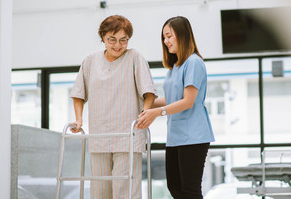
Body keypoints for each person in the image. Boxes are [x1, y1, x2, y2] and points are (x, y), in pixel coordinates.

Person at [69, 15, 157, 199]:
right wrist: (78, 119)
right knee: (99, 192)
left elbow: (148, 92)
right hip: (99, 136)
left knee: (124, 191)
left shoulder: (134, 57)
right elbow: (78, 94)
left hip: (128, 137)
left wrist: (145, 114)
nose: (117, 45)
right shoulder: (90, 61)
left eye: (123, 40)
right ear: (102, 37)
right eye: (112, 40)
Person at [136, 16, 215, 199]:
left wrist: (157, 112)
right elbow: (171, 99)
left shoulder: (194, 62)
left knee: (189, 191)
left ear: (182, 35)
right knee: (175, 188)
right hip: (175, 137)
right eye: (164, 37)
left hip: (193, 136)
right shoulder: (174, 68)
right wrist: (147, 103)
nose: (165, 41)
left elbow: (188, 101)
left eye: (169, 36)